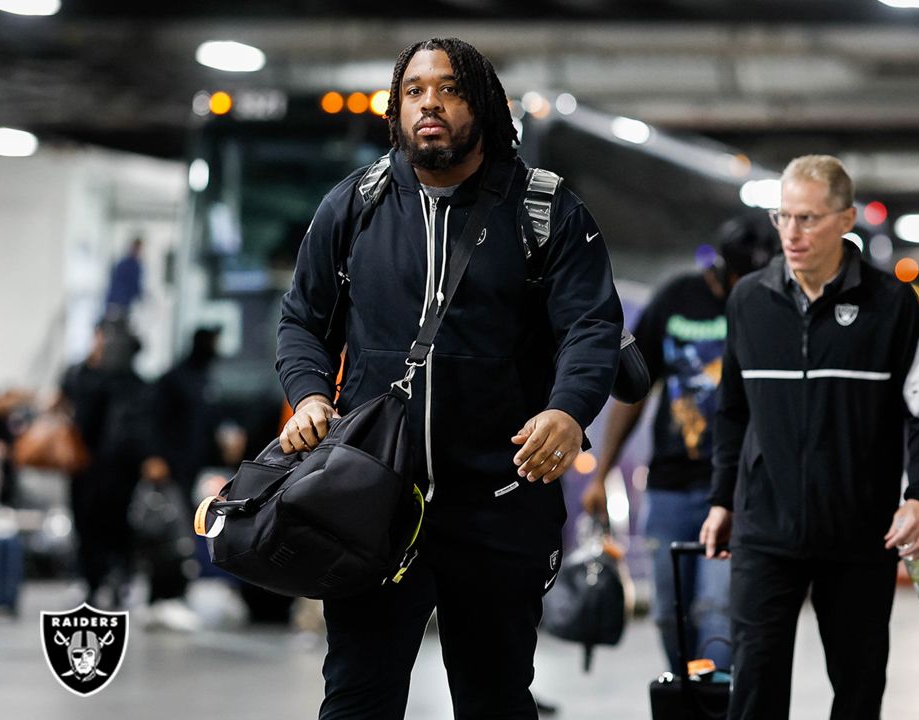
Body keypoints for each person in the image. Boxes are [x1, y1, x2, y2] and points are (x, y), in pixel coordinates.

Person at [276, 38, 622, 719]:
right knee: (356, 697)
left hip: (499, 502)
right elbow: (301, 321)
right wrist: (310, 394)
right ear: (397, 108)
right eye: (414, 90)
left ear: (483, 104)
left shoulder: (544, 210)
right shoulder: (355, 206)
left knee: (494, 698)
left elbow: (591, 327)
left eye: (450, 89)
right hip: (371, 501)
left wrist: (570, 409)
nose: (429, 102)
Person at [699, 155, 919, 720]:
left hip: (859, 533)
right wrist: (721, 499)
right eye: (783, 216)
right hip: (765, 530)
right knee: (755, 689)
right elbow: (732, 413)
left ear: (846, 220)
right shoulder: (748, 303)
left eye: (808, 219)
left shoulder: (892, 306)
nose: (791, 233)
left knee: (859, 691)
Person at [584, 215, 777, 674]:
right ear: (722, 270)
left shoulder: (764, 309)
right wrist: (603, 469)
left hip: (732, 489)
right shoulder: (676, 298)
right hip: (670, 486)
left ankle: (714, 700)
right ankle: (688, 700)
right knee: (672, 614)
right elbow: (636, 391)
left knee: (716, 609)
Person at [141, 327, 227, 631]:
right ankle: (162, 599)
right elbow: (153, 419)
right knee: (168, 535)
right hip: (170, 471)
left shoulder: (206, 379)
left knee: (184, 538)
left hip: (194, 471)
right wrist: (155, 457)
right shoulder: (174, 378)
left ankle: (173, 596)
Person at [60, 319, 150, 608]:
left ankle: (117, 578)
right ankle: (91, 580)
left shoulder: (132, 382)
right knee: (86, 525)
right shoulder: (80, 374)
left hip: (120, 470)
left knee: (118, 525)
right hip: (84, 466)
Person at [104, 238, 144, 318]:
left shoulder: (123, 263)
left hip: (115, 301)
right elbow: (134, 286)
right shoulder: (132, 265)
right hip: (120, 303)